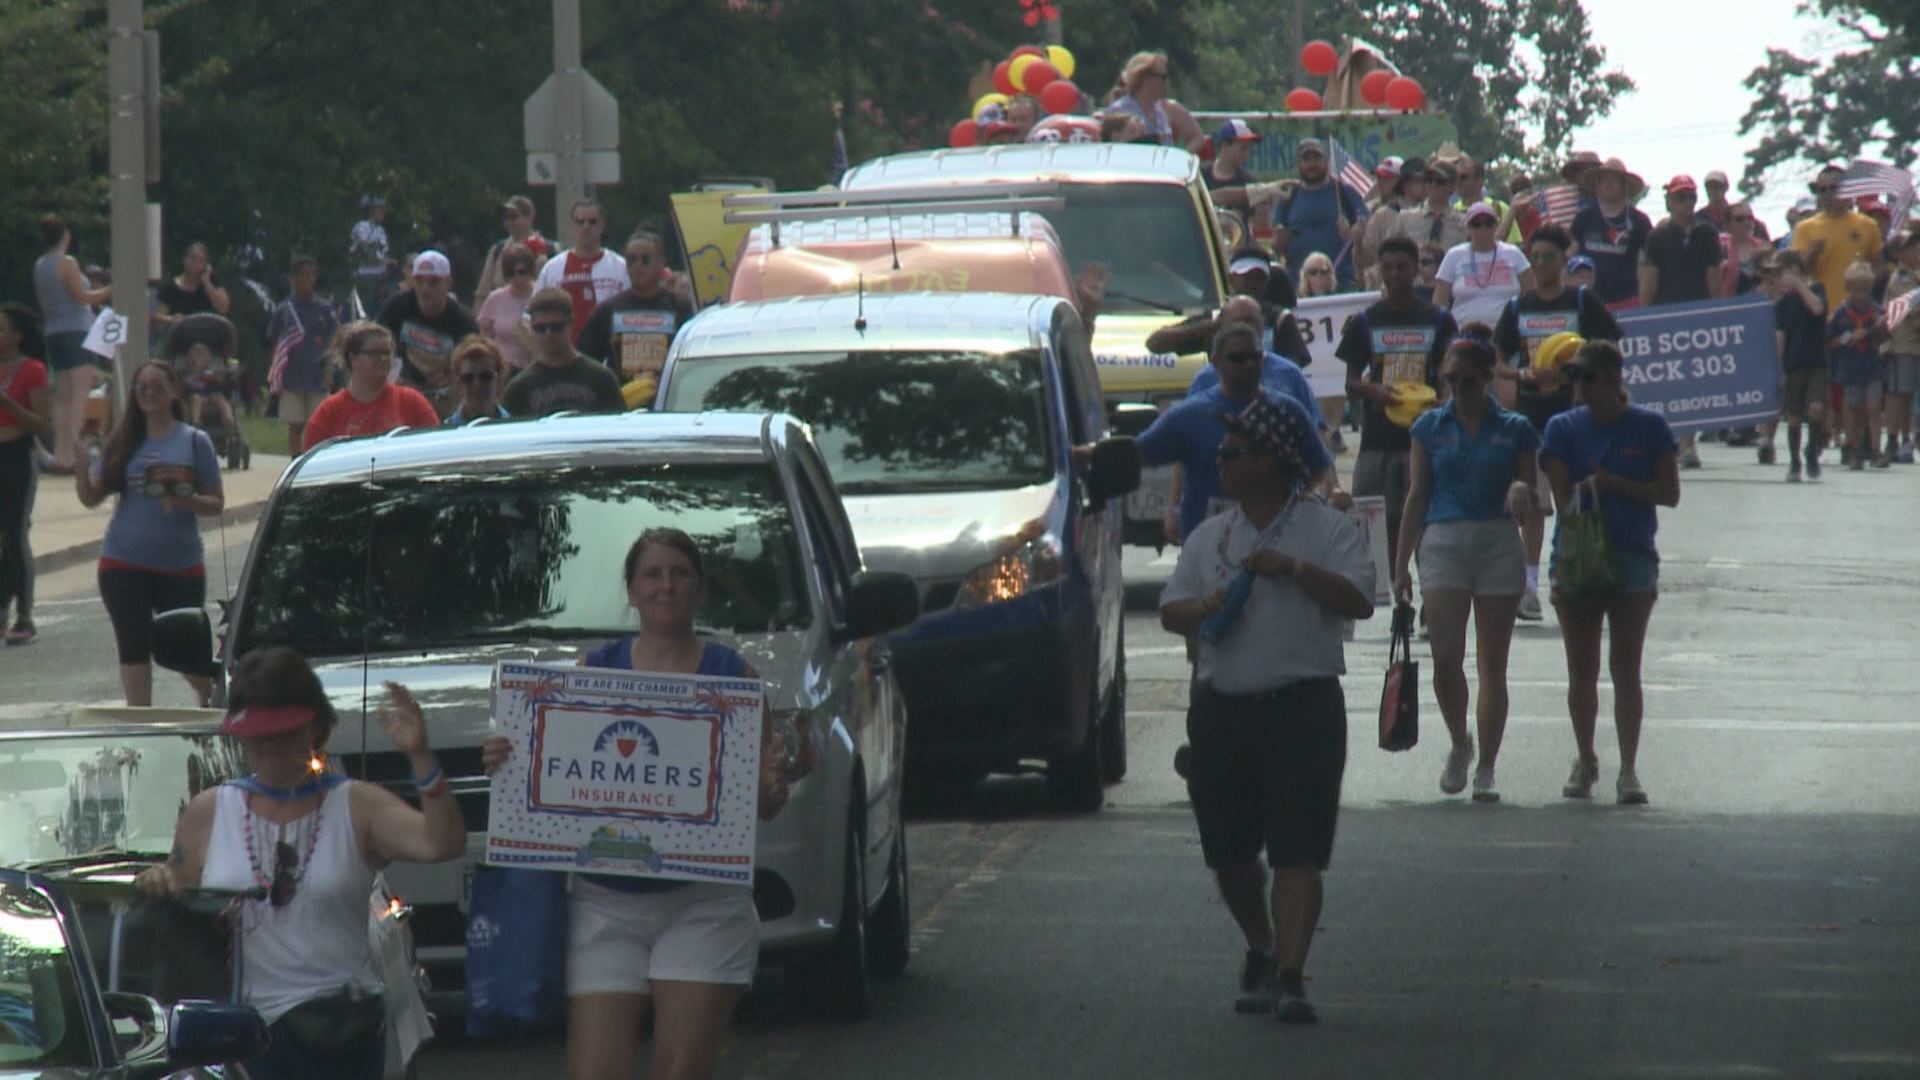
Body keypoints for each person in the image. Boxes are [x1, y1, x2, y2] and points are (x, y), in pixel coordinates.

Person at [480, 529, 804, 1080]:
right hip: (604, 905)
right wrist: (506, 758)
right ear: (630, 590)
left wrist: (774, 786)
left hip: (704, 903)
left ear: (700, 589)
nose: (666, 585)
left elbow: (764, 804)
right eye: (652, 574)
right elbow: (548, 775)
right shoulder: (593, 673)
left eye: (679, 573)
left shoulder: (733, 678)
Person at [136, 647, 466, 1079]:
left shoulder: (356, 804)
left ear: (316, 727)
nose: (270, 747)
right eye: (260, 735)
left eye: (284, 733)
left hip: (341, 1029)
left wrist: (422, 760)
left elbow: (440, 843)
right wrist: (158, 881)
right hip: (247, 1033)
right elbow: (181, 897)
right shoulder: (209, 811)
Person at [1159, 393, 1374, 1024]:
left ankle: (1291, 974)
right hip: (1223, 709)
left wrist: (1295, 569)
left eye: (1235, 450)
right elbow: (1173, 607)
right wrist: (1204, 607)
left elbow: (1360, 598)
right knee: (1228, 852)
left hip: (1303, 707)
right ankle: (1260, 942)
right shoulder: (1212, 535)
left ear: (1275, 460)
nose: (1221, 459)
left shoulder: (1327, 528)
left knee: (1297, 847)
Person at [1393, 330, 1539, 802]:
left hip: (1497, 539)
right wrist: (1399, 568)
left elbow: (1533, 495)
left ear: (1487, 376)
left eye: (1468, 380)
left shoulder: (1515, 427)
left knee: (1492, 663)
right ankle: (1461, 741)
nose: (1459, 388)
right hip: (1444, 539)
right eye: (1451, 379)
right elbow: (1417, 496)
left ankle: (1488, 767)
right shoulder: (1429, 427)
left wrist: (1522, 494)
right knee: (1444, 657)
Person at [1541, 341, 1680, 806]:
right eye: (1575, 379)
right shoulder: (1562, 428)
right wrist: (1589, 487)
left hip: (1632, 554)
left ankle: (1629, 768)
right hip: (1578, 554)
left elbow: (1669, 492)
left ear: (1613, 378)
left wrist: (1616, 482)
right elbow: (1561, 501)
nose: (1581, 387)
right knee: (1581, 669)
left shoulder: (1650, 426)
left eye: (1589, 378)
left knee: (1626, 667)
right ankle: (1584, 757)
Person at [72, 361, 224, 706]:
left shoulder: (194, 441)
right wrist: (82, 472)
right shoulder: (124, 441)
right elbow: (91, 497)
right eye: (142, 387)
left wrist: (181, 498)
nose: (150, 393)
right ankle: (139, 721)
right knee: (133, 645)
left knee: (186, 651)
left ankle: (208, 698)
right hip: (124, 561)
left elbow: (216, 503)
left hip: (180, 564)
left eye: (158, 386)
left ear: (173, 391)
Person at [1492, 223, 1623, 619]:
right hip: (1532, 418)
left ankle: (1573, 576)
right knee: (1530, 505)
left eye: (1550, 256)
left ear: (1564, 259)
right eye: (1536, 257)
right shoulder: (1519, 308)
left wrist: (1576, 376)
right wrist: (1522, 376)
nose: (1542, 263)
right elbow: (1497, 360)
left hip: (1578, 418)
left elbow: (1612, 351)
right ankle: (1528, 588)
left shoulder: (1582, 302)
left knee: (1577, 503)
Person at [1338, 236, 1459, 560]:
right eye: (1388, 268)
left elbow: (1452, 372)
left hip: (1426, 437)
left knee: (1427, 520)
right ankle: (1396, 594)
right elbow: (1350, 382)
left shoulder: (1438, 320)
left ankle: (1429, 595)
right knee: (1376, 524)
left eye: (1402, 267)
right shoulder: (1365, 321)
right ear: (1379, 271)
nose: (1394, 275)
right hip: (1377, 439)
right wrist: (1371, 389)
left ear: (1416, 269)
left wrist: (1444, 401)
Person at [33, 216, 111, 473]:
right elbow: (82, 297)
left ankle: (60, 453)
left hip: (53, 331)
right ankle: (71, 453)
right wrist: (110, 290)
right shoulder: (67, 263)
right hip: (77, 331)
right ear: (64, 234)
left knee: (62, 396)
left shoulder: (40, 264)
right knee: (78, 396)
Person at [577, 231, 696, 393]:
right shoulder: (607, 310)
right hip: (622, 402)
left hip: (668, 400)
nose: (638, 266)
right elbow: (587, 361)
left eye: (645, 260)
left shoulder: (680, 307)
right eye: (631, 260)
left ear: (661, 263)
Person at [300, 322, 441, 450]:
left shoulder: (412, 402)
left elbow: (435, 449)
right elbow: (310, 462)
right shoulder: (329, 412)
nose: (384, 359)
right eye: (375, 353)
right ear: (352, 358)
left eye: (387, 353)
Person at [0, 304, 52, 645]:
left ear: (17, 335)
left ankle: (25, 615)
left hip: (17, 457)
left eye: (2, 328)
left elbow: (39, 423)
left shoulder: (32, 370)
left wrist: (8, 404)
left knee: (15, 535)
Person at [1756, 250, 1830, 481]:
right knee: (1795, 415)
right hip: (1794, 363)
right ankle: (1796, 461)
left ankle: (1812, 452)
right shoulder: (1782, 305)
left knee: (1816, 409)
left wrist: (1800, 286)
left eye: (1794, 272)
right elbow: (1780, 336)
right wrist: (1779, 370)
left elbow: (1818, 308)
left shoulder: (1816, 290)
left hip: (1817, 361)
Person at [376, 251, 479, 416]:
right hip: (401, 392)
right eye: (419, 281)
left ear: (448, 282)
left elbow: (474, 365)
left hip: (446, 397)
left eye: (433, 282)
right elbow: (376, 349)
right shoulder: (396, 308)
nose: (425, 288)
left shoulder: (463, 320)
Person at [502, 289, 627, 418]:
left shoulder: (601, 379)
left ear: (571, 323)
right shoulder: (520, 388)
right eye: (540, 328)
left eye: (556, 327)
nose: (548, 334)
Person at [265, 256, 342, 458]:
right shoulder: (285, 309)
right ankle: (294, 459)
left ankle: (314, 460)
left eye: (312, 275)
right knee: (295, 424)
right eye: (303, 274)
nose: (308, 279)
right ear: (293, 278)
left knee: (317, 423)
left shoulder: (324, 309)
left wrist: (330, 370)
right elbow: (275, 342)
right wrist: (276, 373)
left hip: (317, 374)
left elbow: (336, 339)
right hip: (292, 375)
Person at [1433, 201, 1535, 340]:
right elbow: (1440, 301)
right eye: (1476, 224)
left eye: (1488, 224)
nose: (1483, 229)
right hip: (1464, 334)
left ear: (1496, 226)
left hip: (1508, 335)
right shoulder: (1454, 255)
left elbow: (1532, 293)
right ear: (1467, 228)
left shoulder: (1513, 253)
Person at [1274, 139, 1367, 290]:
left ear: (1326, 162)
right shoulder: (1289, 195)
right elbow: (1277, 239)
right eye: (1306, 159)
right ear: (1298, 164)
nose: (1312, 164)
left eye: (1317, 158)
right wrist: (1280, 240)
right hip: (1299, 286)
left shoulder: (1343, 191)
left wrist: (1353, 231)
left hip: (1341, 282)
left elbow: (1363, 219)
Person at [537, 198, 631, 344]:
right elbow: (530, 316)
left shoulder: (620, 267)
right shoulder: (552, 268)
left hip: (606, 356)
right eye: (580, 222)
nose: (586, 227)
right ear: (572, 226)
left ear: (601, 225)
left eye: (592, 222)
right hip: (564, 355)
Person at [1792, 164, 1883, 309]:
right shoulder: (1805, 228)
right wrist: (1812, 253)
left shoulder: (1868, 225)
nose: (1828, 194)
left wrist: (1864, 285)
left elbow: (1878, 266)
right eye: (1823, 190)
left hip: (1859, 311)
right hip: (1824, 310)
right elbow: (1800, 273)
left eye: (1833, 188)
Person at [1828, 261, 1889, 470]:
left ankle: (1875, 450)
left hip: (1872, 365)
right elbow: (1829, 341)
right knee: (1852, 407)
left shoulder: (1878, 311)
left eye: (1865, 290)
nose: (1861, 295)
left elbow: (1885, 338)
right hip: (1850, 367)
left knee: (1873, 408)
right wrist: (1847, 338)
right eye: (1856, 290)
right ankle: (1853, 449)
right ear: (1848, 289)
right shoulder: (1840, 313)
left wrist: (1882, 329)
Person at [1570, 158, 1653, 312]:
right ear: (1598, 185)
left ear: (1624, 185)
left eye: (1614, 180)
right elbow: (1569, 256)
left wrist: (1645, 301)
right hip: (1588, 300)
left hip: (1627, 301)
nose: (1609, 184)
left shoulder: (1640, 221)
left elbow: (1649, 264)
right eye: (1604, 179)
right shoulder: (1583, 218)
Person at [1105, 52, 1204, 152]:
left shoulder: (1162, 109)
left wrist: (1179, 158)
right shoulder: (1119, 110)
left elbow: (1197, 136)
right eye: (1163, 77)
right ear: (1146, 79)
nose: (1167, 82)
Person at [1882, 231, 1920, 464]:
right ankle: (1897, 439)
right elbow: (1910, 310)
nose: (1914, 250)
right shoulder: (1902, 278)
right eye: (1908, 247)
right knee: (1901, 394)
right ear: (1898, 253)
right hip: (1904, 343)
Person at [473, 195, 552, 303]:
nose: (509, 222)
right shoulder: (497, 250)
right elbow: (482, 293)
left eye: (514, 217)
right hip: (501, 312)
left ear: (529, 217)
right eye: (506, 218)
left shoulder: (549, 249)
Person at [477, 242, 540, 372]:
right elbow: (484, 335)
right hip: (503, 368)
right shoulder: (495, 298)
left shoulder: (541, 295)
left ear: (530, 270)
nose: (517, 277)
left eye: (521, 272)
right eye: (511, 273)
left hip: (534, 367)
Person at [1396, 159, 1469, 269]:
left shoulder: (1464, 222)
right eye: (1429, 180)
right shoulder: (1405, 218)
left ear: (1452, 186)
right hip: (1414, 282)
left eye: (1439, 182)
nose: (1433, 185)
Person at [153, 243, 232, 333]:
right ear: (185, 259)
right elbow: (158, 317)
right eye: (193, 258)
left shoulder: (211, 280)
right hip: (182, 337)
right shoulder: (171, 287)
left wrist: (207, 283)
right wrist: (171, 319)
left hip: (209, 336)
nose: (196, 264)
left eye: (201, 261)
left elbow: (224, 308)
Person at [444, 336, 511, 425]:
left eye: (486, 377)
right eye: (468, 378)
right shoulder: (447, 435)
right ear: (458, 383)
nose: (477, 384)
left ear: (498, 380)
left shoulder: (515, 431)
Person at [1204, 120, 1263, 212]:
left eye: (1249, 149)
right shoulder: (1202, 175)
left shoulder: (1249, 181)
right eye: (1243, 148)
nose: (1247, 154)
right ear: (1225, 145)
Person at [349, 195, 393, 304]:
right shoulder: (361, 227)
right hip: (365, 277)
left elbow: (384, 251)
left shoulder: (380, 230)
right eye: (379, 209)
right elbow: (365, 250)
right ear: (371, 211)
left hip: (380, 277)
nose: (383, 212)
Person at [1720, 202, 1768, 298]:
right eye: (1739, 219)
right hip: (1730, 304)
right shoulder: (1721, 247)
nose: (1746, 222)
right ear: (1727, 225)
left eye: (1750, 218)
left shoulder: (1763, 247)